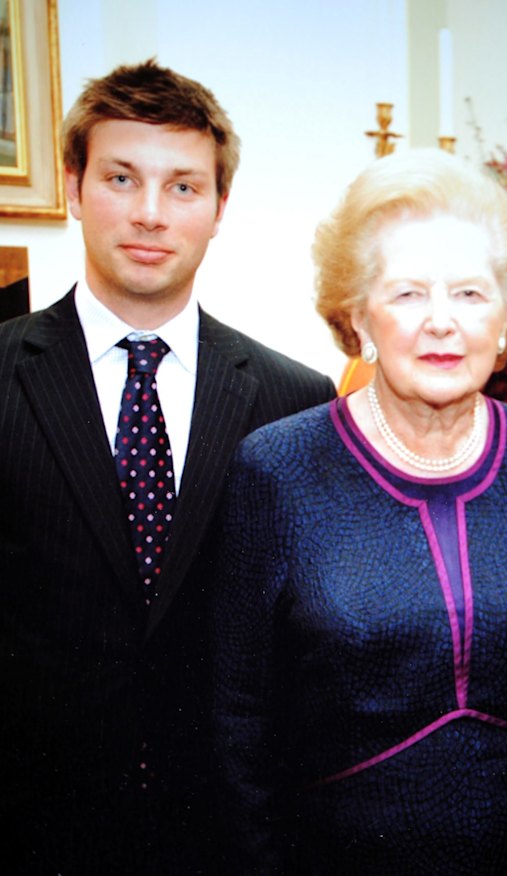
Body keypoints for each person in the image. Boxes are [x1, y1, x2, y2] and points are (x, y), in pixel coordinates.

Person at [0, 59, 335, 875]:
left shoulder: (295, 399)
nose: (150, 213)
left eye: (183, 187)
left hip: (223, 835)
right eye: (121, 178)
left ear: (220, 208)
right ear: (74, 187)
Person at [210, 148, 507, 874]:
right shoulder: (278, 468)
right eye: (408, 294)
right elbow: (237, 722)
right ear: (359, 319)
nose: (442, 322)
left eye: (470, 294)